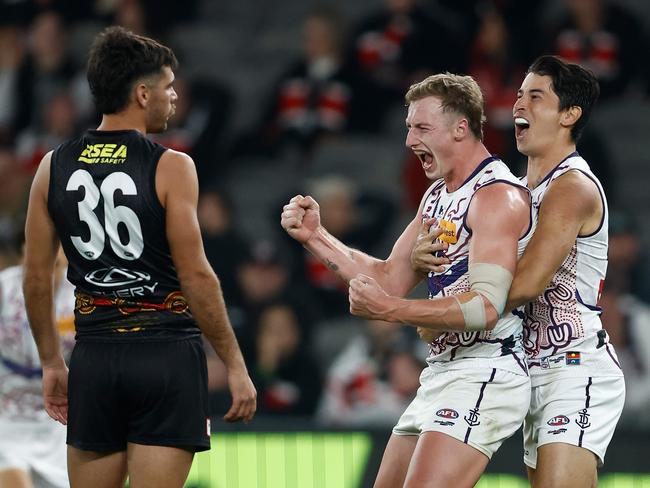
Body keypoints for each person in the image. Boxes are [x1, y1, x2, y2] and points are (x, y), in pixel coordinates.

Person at [22, 26, 256, 488]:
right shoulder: (172, 165)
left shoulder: (53, 165)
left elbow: (34, 279)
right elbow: (196, 275)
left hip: (93, 357)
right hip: (165, 356)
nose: (173, 97)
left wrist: (52, 362)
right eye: (168, 87)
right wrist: (234, 363)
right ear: (143, 93)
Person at [281, 73, 533, 488]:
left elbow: (486, 306)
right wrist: (317, 237)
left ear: (460, 128)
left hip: (487, 369)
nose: (409, 140)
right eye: (408, 128)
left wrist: (390, 311)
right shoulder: (437, 196)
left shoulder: (495, 196)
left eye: (421, 128)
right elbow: (387, 279)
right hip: (441, 372)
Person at [411, 55, 625, 487]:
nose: (518, 105)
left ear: (570, 114)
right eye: (520, 94)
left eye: (536, 96)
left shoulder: (572, 186)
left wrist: (447, 312)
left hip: (573, 366)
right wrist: (424, 262)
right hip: (526, 364)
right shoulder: (517, 189)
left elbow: (526, 283)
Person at [0, 248, 74, 488]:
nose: (50, 273)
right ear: (25, 254)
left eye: (57, 266)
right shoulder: (4, 288)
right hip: (7, 415)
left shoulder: (78, 297)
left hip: (56, 421)